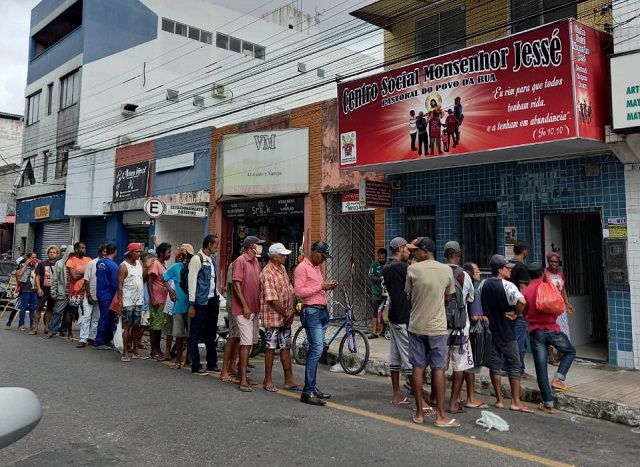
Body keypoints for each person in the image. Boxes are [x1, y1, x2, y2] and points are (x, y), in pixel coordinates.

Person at [404, 237, 458, 428]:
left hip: (416, 325)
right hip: (437, 327)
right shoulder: (446, 270)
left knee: (417, 366)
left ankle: (419, 413)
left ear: (425, 251)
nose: (414, 254)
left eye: (416, 251)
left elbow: (409, 296)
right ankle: (441, 416)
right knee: (438, 368)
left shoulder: (412, 270)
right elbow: (449, 297)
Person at [479, 254, 532, 413]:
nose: (510, 270)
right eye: (507, 267)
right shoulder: (508, 286)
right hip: (506, 331)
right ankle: (515, 401)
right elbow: (522, 301)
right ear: (500, 270)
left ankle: (499, 400)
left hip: (490, 331)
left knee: (495, 364)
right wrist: (516, 313)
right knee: (515, 363)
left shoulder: (483, 284)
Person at [523, 262, 576, 414]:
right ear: (542, 274)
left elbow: (523, 311)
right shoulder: (550, 287)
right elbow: (559, 308)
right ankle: (558, 378)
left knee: (541, 369)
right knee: (570, 351)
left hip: (535, 331)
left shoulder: (526, 291)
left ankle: (548, 404)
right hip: (552, 328)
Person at [294, 241, 338, 406]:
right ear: (315, 253)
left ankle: (312, 386)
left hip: (321, 311)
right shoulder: (301, 268)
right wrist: (321, 286)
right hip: (311, 311)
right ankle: (308, 391)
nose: (324, 260)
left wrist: (327, 287)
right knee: (317, 349)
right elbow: (298, 291)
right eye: (323, 257)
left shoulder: (316, 268)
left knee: (318, 349)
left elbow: (316, 288)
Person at [442, 241, 478, 414]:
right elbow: (470, 299)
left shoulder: (438, 272)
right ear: (459, 254)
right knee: (460, 366)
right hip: (460, 328)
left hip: (440, 326)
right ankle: (453, 403)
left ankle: (436, 397)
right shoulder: (465, 275)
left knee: (439, 366)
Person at [260, 243, 301, 392]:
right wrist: (286, 313)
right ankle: (267, 379)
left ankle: (289, 380)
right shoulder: (267, 272)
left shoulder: (282, 269)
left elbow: (290, 291)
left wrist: (290, 310)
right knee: (270, 347)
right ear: (275, 256)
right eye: (283, 255)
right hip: (273, 316)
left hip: (285, 315)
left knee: (286, 346)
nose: (285, 257)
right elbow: (272, 299)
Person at [382, 237, 415, 406]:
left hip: (394, 314)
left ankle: (397, 394)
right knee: (409, 358)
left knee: (394, 358)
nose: (409, 251)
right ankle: (420, 400)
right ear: (400, 248)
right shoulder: (402, 267)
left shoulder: (387, 267)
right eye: (406, 248)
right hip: (403, 316)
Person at [232, 236, 264, 392]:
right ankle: (242, 379)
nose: (260, 247)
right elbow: (236, 283)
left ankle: (241, 374)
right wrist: (244, 305)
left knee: (250, 343)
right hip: (243, 310)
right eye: (258, 245)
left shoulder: (256, 262)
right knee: (245, 344)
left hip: (254, 308)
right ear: (252, 246)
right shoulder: (241, 261)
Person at [187, 234, 221, 376]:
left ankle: (212, 363)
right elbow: (192, 282)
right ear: (209, 245)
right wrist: (192, 304)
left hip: (212, 300)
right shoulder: (197, 259)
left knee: (211, 333)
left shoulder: (212, 261)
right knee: (195, 334)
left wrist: (218, 296)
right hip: (200, 302)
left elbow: (213, 283)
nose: (217, 248)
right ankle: (196, 365)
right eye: (216, 245)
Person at [462, 261, 490, 410]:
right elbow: (474, 316)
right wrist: (484, 318)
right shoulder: (472, 288)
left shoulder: (463, 286)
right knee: (470, 367)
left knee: (463, 367)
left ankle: (460, 395)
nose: (479, 273)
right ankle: (470, 397)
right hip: (472, 331)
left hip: (462, 329)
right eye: (477, 271)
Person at [164, 244, 193, 369]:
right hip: (179, 305)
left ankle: (188, 359)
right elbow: (164, 278)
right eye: (182, 255)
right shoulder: (176, 267)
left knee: (191, 335)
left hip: (191, 306)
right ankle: (179, 359)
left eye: (186, 255)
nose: (183, 258)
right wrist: (170, 290)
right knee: (179, 335)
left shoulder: (193, 267)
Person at [508, 240, 532, 379]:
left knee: (509, 339)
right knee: (519, 341)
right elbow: (523, 290)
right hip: (518, 309)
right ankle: (519, 369)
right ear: (524, 252)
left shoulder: (508, 264)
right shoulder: (522, 267)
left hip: (507, 307)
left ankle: (507, 366)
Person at [117, 243, 145, 362]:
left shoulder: (140, 263)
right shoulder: (123, 266)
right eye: (137, 252)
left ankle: (135, 351)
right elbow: (120, 286)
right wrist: (120, 303)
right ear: (130, 252)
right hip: (127, 301)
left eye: (140, 252)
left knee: (137, 326)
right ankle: (125, 352)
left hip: (139, 300)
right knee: (127, 326)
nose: (139, 254)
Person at [77, 245, 107, 348]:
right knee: (86, 317)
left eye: (107, 252)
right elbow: (86, 279)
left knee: (96, 318)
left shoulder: (107, 264)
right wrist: (89, 294)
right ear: (99, 252)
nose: (105, 253)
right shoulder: (92, 263)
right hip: (90, 295)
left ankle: (92, 337)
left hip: (101, 296)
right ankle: (83, 339)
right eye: (103, 251)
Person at [147, 242, 172, 360]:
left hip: (163, 299)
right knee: (154, 326)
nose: (170, 254)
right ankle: (153, 350)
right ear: (162, 253)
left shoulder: (163, 264)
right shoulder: (156, 264)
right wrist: (152, 298)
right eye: (168, 252)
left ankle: (157, 348)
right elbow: (149, 281)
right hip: (156, 299)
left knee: (159, 326)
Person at [93, 243, 119, 349]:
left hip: (100, 293)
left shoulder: (99, 263)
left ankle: (107, 339)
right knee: (105, 318)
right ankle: (99, 341)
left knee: (109, 318)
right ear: (115, 252)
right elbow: (114, 283)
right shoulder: (113, 266)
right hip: (109, 295)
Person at [65, 242, 91, 342]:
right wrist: (86, 273)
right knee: (71, 312)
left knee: (87, 313)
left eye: (85, 248)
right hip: (75, 291)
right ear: (76, 250)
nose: (84, 250)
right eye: (82, 248)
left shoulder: (89, 260)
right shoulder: (71, 261)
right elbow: (74, 277)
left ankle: (86, 335)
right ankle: (69, 332)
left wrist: (82, 273)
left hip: (86, 290)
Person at [47, 246, 72, 338]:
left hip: (73, 294)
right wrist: (54, 292)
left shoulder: (75, 262)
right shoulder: (60, 263)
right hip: (62, 293)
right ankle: (52, 330)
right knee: (57, 311)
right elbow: (54, 279)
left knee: (68, 313)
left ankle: (64, 330)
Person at [34, 246, 58, 335]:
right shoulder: (42, 264)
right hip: (43, 290)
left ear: (57, 254)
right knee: (39, 308)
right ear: (47, 253)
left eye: (54, 252)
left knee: (50, 309)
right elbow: (37, 276)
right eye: (50, 252)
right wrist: (39, 288)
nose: (52, 253)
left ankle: (47, 327)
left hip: (53, 291)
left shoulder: (58, 264)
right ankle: (35, 327)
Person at [367, 248, 387, 339]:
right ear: (378, 256)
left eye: (383, 258)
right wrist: (381, 279)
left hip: (387, 293)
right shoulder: (374, 265)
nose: (382, 260)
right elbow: (371, 277)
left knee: (385, 312)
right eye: (380, 258)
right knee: (375, 312)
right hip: (376, 293)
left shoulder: (388, 265)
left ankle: (382, 331)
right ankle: (374, 332)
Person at [16, 252, 38, 331]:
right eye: (32, 257)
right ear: (28, 258)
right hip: (25, 289)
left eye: (35, 257)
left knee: (33, 307)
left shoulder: (36, 266)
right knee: (24, 307)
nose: (33, 259)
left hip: (34, 290)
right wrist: (25, 265)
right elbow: (19, 275)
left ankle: (32, 324)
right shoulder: (23, 265)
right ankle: (21, 324)